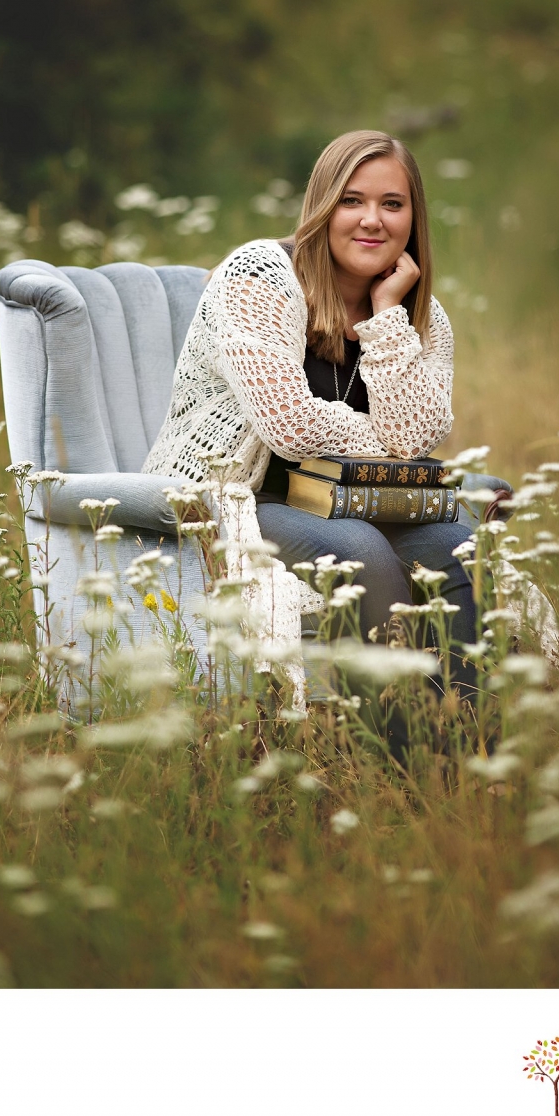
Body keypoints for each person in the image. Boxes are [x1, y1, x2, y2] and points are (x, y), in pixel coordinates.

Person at [142, 129, 486, 710]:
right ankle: (396, 754)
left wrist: (384, 318)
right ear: (323, 207)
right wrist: (384, 441)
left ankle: (470, 746)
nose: (372, 220)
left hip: (358, 500)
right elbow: (290, 427)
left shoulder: (420, 316)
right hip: (243, 499)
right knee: (359, 552)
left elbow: (420, 435)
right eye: (352, 200)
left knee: (458, 544)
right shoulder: (258, 276)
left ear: (413, 219)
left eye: (392, 204)